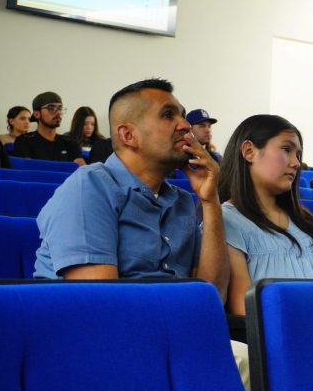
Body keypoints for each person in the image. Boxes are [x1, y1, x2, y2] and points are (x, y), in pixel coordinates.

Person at [31, 79, 247, 388]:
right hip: (93, 343)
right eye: (168, 115)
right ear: (128, 135)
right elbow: (100, 304)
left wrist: (210, 200)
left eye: (182, 114)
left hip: (168, 334)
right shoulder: (90, 186)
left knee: (258, 356)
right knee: (245, 362)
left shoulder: (182, 201)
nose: (185, 125)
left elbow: (212, 293)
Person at [218, 114, 313, 316]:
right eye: (286, 149)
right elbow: (245, 312)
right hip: (281, 333)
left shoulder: (307, 221)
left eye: (298, 154)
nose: (296, 163)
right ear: (249, 152)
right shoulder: (227, 221)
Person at [12, 92, 85, 166]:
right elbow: (27, 169)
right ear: (37, 114)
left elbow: (82, 170)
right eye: (51, 108)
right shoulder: (24, 141)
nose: (58, 112)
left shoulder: (70, 142)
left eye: (60, 108)